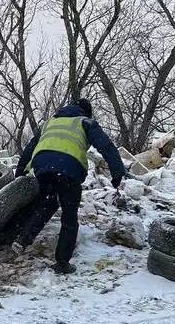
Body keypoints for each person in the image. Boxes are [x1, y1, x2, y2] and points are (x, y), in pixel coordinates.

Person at [12, 98, 126, 274]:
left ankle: (22, 240)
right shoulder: (85, 122)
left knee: (47, 204)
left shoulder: (50, 122)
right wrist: (117, 172)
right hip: (69, 168)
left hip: (42, 166)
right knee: (69, 216)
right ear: (86, 112)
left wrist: (20, 171)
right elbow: (107, 147)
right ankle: (62, 263)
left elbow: (30, 148)